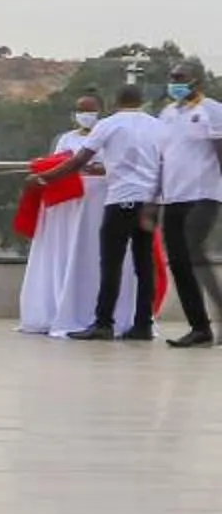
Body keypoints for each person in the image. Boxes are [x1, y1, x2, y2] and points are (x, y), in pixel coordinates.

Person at [55, 84, 166, 342]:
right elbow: (166, 164)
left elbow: (79, 160)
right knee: (144, 264)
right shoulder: (158, 126)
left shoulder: (109, 124)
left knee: (112, 263)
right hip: (150, 203)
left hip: (121, 201)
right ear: (142, 102)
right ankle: (143, 324)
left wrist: (47, 177)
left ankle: (104, 322)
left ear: (116, 102)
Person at [18, 96, 108, 337]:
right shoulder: (67, 139)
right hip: (67, 204)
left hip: (96, 201)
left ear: (100, 112)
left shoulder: (105, 135)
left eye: (90, 111)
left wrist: (96, 169)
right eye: (81, 111)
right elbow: (57, 165)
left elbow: (112, 164)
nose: (86, 115)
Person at [159, 63, 222, 348]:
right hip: (173, 197)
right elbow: (162, 158)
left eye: (180, 78)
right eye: (172, 78)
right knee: (180, 263)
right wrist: (153, 199)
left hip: (203, 194)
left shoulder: (212, 110)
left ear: (197, 80)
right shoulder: (167, 114)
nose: (175, 83)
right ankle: (200, 328)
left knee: (193, 250)